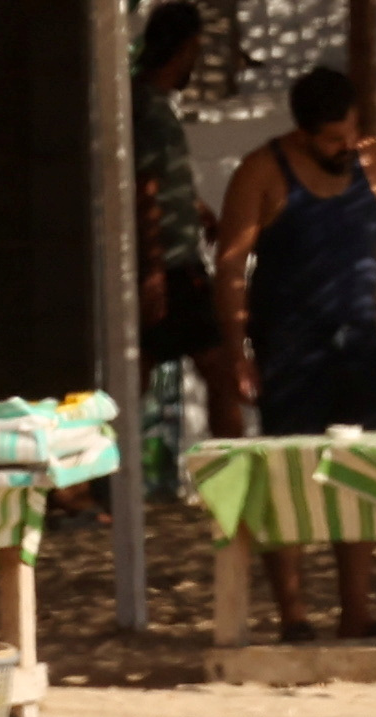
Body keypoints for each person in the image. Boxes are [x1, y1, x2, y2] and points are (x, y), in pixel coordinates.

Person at [210, 68, 376, 638]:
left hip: (357, 341)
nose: (346, 147)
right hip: (288, 348)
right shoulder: (261, 173)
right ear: (303, 132)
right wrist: (238, 352)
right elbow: (231, 266)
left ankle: (357, 610)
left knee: (361, 472)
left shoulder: (372, 161)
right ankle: (294, 616)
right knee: (288, 474)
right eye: (334, 139)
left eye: (352, 133)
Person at [133, 4, 220, 465]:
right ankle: (240, 471)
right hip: (171, 267)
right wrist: (153, 274)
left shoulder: (152, 106)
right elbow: (143, 192)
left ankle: (97, 482)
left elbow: (161, 183)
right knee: (220, 370)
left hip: (169, 261)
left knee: (134, 378)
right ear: (184, 49)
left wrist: (195, 208)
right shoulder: (146, 110)